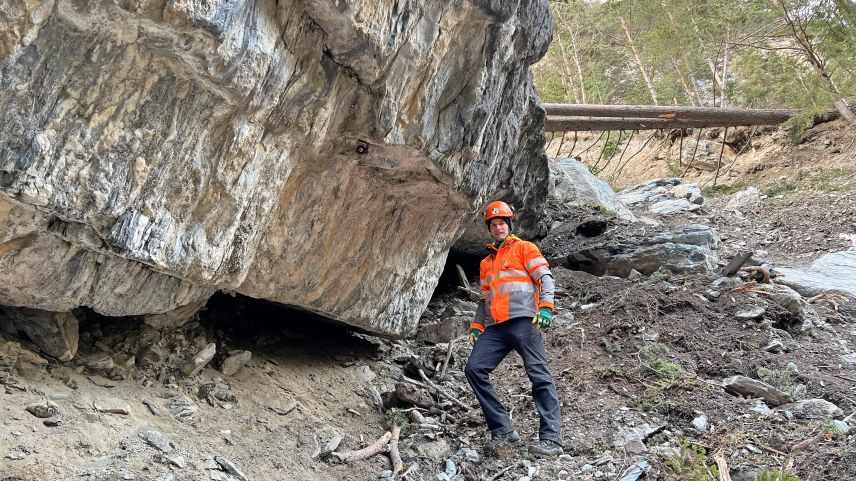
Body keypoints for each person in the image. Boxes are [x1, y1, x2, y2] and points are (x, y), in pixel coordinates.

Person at [464, 200, 563, 458]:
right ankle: (503, 429)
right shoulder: (487, 262)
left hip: (523, 321)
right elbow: (485, 298)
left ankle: (551, 440)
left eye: (501, 223)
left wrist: (546, 307)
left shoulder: (524, 248)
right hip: (496, 327)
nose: (498, 228)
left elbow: (545, 277)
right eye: (493, 224)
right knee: (474, 369)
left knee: (539, 376)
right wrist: (477, 324)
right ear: (489, 228)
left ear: (509, 224)